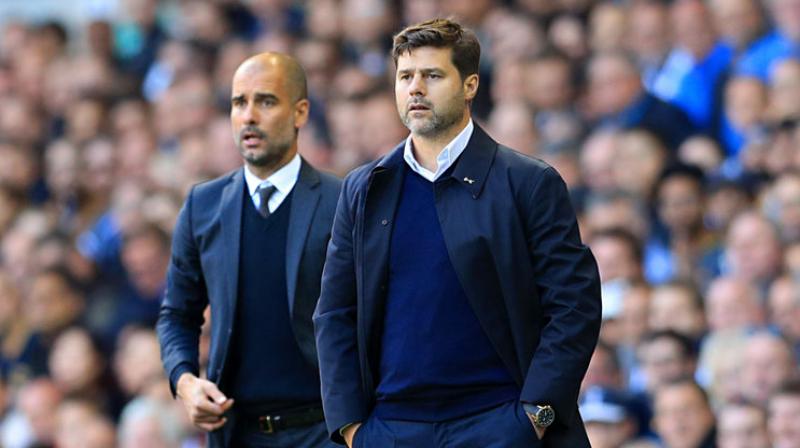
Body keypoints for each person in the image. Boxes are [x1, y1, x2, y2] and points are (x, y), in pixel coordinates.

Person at [314, 18, 602, 447]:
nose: (415, 89)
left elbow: (573, 306)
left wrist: (535, 415)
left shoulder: (528, 182)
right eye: (405, 77)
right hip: (391, 429)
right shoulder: (364, 187)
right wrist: (352, 428)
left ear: (470, 86)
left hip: (497, 424)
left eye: (432, 76)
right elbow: (335, 312)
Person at [157, 52, 341, 447]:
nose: (249, 116)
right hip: (236, 433)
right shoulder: (202, 206)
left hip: (324, 431)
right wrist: (185, 380)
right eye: (239, 102)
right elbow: (177, 314)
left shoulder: (342, 202)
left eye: (266, 101)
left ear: (300, 113)